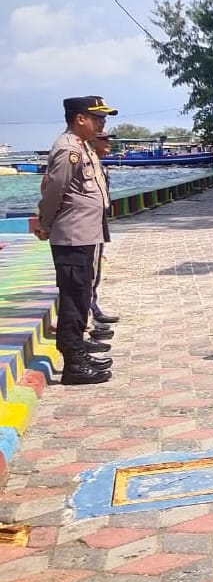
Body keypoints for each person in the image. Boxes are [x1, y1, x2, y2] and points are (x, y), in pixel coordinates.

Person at [36, 97, 118, 385]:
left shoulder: (82, 145)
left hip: (85, 233)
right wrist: (45, 223)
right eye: (97, 118)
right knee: (73, 297)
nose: (102, 123)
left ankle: (79, 352)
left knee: (81, 294)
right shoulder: (69, 149)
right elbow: (53, 191)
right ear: (80, 118)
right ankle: (74, 363)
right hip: (72, 235)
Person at [88, 131, 118, 340]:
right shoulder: (83, 162)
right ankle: (89, 316)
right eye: (104, 139)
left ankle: (94, 308)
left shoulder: (99, 164)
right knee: (86, 274)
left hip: (98, 223)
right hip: (84, 227)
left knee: (94, 270)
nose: (108, 143)